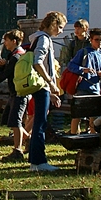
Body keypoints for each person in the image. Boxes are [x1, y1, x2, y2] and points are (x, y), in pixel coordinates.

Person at [17, 11, 66, 171]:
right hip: (42, 86)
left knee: (39, 122)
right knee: (40, 123)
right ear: (53, 24)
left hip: (40, 86)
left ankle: (34, 160)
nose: (61, 31)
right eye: (60, 27)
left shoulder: (37, 38)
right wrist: (51, 83)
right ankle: (39, 161)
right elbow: (38, 62)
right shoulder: (44, 39)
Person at [66, 27, 101, 134]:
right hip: (83, 87)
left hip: (95, 88)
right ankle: (73, 135)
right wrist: (83, 69)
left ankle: (92, 136)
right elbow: (71, 65)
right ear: (91, 40)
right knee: (78, 114)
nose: (99, 42)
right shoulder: (84, 52)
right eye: (96, 40)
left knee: (93, 116)